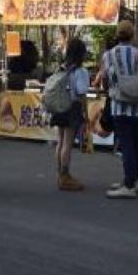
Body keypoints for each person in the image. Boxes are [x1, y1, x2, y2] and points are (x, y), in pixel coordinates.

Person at [100, 21, 138, 199]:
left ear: (117, 35)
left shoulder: (109, 55)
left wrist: (110, 88)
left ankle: (129, 185)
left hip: (119, 105)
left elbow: (105, 79)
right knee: (137, 144)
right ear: (133, 36)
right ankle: (132, 179)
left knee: (127, 145)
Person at [51, 37, 90, 191]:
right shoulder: (80, 71)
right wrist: (85, 112)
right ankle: (65, 176)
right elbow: (81, 93)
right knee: (67, 143)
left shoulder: (61, 68)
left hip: (59, 106)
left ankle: (59, 174)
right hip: (72, 108)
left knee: (60, 142)